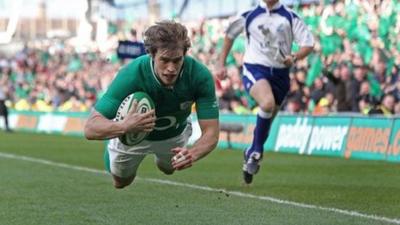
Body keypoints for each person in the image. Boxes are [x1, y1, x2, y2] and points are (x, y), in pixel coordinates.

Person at [84, 20, 219, 189]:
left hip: (174, 134)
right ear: (152, 55)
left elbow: (212, 132)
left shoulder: (200, 76)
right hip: (132, 135)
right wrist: (124, 126)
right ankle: (113, 145)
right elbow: (90, 128)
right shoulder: (131, 75)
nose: (171, 68)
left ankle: (163, 157)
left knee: (168, 169)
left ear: (185, 55)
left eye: (177, 60)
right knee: (121, 182)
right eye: (164, 60)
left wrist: (192, 153)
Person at [216, 0, 314, 184]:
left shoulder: (290, 17)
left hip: (281, 74)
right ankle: (257, 151)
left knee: (268, 117)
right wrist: (220, 63)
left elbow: (308, 44)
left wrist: (294, 57)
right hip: (255, 68)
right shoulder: (249, 15)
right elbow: (229, 35)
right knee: (267, 103)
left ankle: (251, 152)